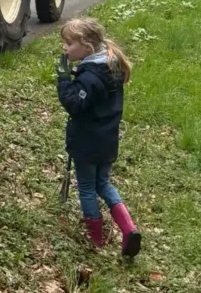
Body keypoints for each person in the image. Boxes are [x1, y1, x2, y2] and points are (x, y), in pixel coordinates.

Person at [56, 17, 142, 257]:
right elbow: (95, 94)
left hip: (87, 142)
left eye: (69, 43)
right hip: (107, 140)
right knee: (103, 183)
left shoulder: (91, 76)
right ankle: (129, 229)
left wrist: (64, 79)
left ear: (86, 47)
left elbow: (75, 104)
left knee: (86, 187)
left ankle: (96, 239)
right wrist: (77, 73)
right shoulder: (109, 65)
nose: (64, 47)